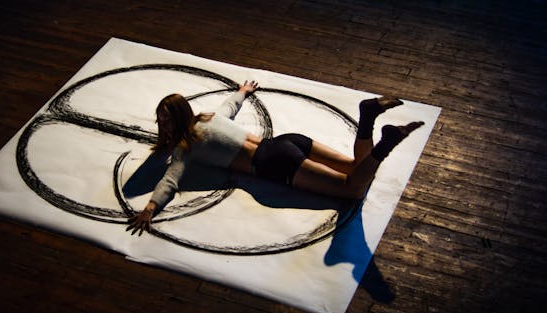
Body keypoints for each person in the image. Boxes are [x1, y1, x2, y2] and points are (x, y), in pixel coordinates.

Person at [126, 80, 424, 236]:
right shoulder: (207, 117)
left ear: (175, 120)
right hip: (286, 141)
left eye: (164, 120)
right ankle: (368, 115)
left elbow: (170, 179)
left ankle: (386, 144)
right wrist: (242, 91)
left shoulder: (185, 147)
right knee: (356, 167)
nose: (161, 125)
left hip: (272, 162)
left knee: (353, 189)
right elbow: (229, 106)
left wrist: (150, 209)